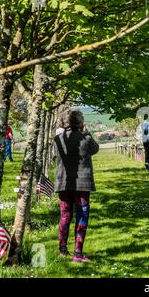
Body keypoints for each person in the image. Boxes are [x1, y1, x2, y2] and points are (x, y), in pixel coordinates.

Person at [54, 109, 99, 263]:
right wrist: (87, 132)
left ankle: (62, 250)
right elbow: (95, 149)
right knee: (82, 216)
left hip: (63, 183)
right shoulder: (85, 138)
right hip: (82, 184)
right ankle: (78, 254)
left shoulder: (58, 139)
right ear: (80, 122)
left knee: (65, 216)